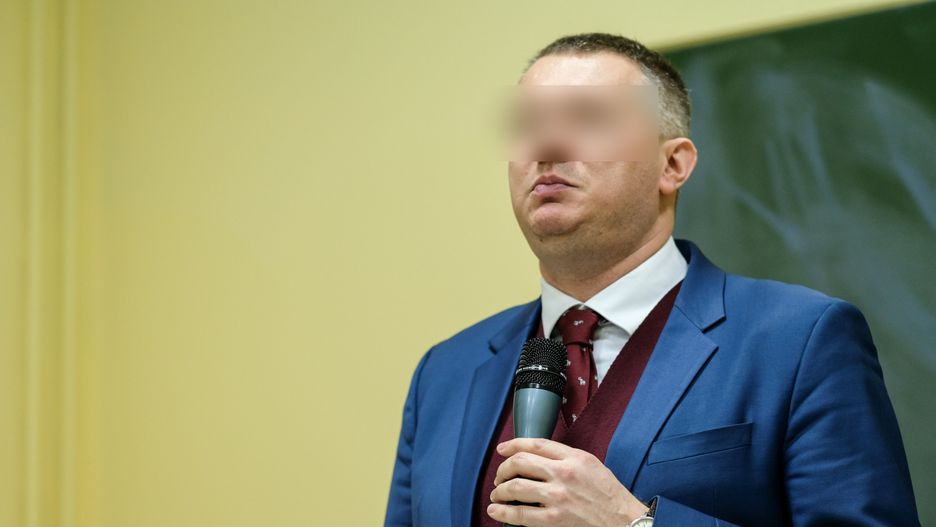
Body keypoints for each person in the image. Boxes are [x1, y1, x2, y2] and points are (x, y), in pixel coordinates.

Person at [383, 33, 919, 527]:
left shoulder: (799, 341)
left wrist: (634, 523)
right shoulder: (445, 372)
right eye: (529, 124)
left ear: (673, 165)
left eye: (589, 119)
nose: (547, 145)